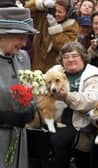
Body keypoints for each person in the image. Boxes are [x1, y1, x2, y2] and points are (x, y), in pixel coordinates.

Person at [35, 41, 98, 168]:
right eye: (66, 57)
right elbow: (40, 90)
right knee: (33, 136)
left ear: (83, 58)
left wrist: (67, 97)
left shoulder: (94, 75)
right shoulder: (55, 72)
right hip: (50, 117)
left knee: (57, 139)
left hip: (77, 122)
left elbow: (93, 101)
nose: (70, 60)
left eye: (74, 56)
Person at [0, 3, 38, 168]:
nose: (24, 43)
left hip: (19, 137)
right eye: (21, 36)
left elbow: (31, 89)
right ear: (2, 35)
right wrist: (4, 117)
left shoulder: (23, 57)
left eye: (27, 37)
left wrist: (31, 109)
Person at [25, 0, 79, 72]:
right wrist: (41, 3)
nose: (56, 14)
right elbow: (26, 9)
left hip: (55, 69)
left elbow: (63, 46)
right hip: (36, 64)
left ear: (67, 13)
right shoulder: (46, 15)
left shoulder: (72, 25)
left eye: (60, 12)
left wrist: (54, 27)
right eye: (55, 10)